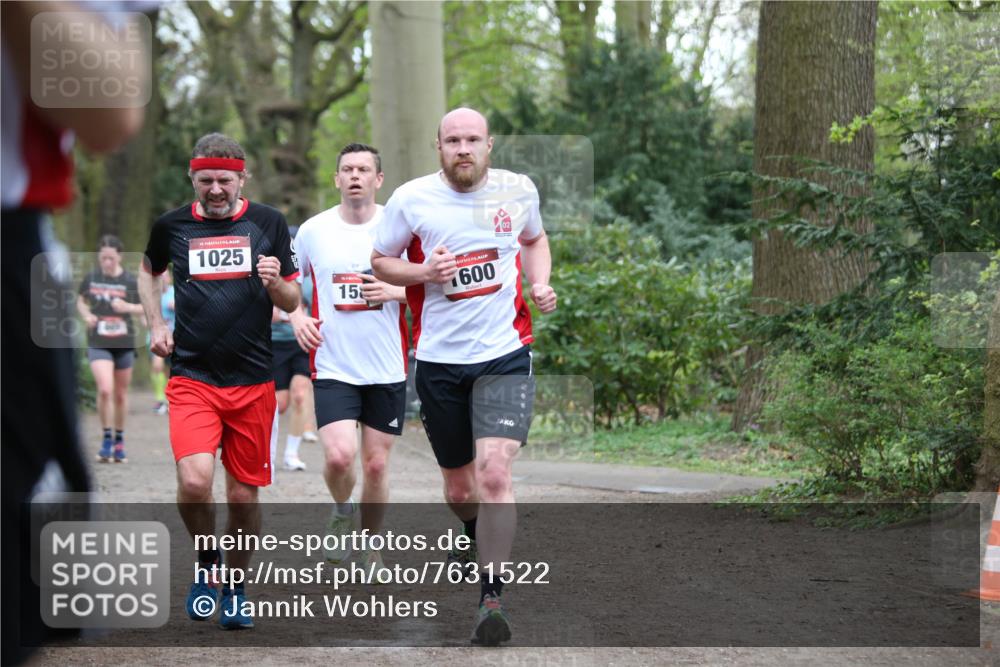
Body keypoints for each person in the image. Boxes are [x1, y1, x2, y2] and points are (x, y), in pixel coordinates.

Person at [371, 108, 557, 646]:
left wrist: (539, 283)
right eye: (453, 140)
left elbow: (534, 239)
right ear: (439, 147)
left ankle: (491, 596)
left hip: (504, 353)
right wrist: (425, 272)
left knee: (495, 473)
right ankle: (473, 531)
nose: (463, 148)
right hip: (438, 361)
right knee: (460, 487)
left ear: (489, 144)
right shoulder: (411, 199)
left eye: (472, 139)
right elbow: (381, 262)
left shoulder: (517, 190)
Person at [1, 4, 146, 664]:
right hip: (79, 323)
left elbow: (109, 114)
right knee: (106, 388)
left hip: (11, 238)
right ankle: (111, 435)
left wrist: (144, 321)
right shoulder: (92, 278)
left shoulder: (112, 275)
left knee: (117, 389)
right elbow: (87, 306)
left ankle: (113, 438)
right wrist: (91, 315)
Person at [138, 133, 299, 630]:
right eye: (205, 180)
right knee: (194, 481)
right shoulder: (172, 225)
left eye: (223, 180)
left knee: (243, 497)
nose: (214, 189)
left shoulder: (268, 222)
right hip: (193, 377)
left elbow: (292, 302)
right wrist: (156, 325)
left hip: (253, 381)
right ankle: (207, 565)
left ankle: (235, 585)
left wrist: (275, 284)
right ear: (193, 178)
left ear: (241, 179)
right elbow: (148, 271)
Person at [291, 143, 408, 572]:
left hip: (386, 367)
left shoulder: (400, 232)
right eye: (347, 169)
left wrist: (394, 291)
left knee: (376, 465)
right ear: (336, 179)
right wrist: (296, 316)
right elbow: (288, 285)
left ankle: (372, 546)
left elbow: (428, 287)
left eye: (364, 169)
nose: (355, 175)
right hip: (334, 365)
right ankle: (343, 509)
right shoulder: (313, 231)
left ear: (379, 180)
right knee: (340, 457)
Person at [77, 234, 143, 462]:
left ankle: (119, 440)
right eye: (103, 258)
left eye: (111, 259)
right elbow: (81, 301)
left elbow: (144, 308)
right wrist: (86, 315)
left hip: (123, 342)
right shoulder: (92, 278)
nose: (106, 263)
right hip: (98, 341)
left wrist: (127, 306)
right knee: (105, 389)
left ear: (120, 257)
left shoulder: (129, 281)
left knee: (121, 394)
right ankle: (106, 437)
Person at [269, 225, 313, 472]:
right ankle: (269, 450)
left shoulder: (306, 277)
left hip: (302, 341)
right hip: (275, 342)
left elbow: (316, 301)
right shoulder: (270, 269)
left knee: (300, 393)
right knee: (279, 404)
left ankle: (291, 454)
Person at [150, 271, 174, 415]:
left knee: (170, 372)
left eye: (165, 276)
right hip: (159, 338)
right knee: (157, 366)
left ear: (169, 278)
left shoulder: (176, 292)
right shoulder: (153, 295)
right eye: (159, 276)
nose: (162, 279)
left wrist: (176, 306)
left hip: (175, 337)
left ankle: (170, 400)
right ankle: (160, 399)